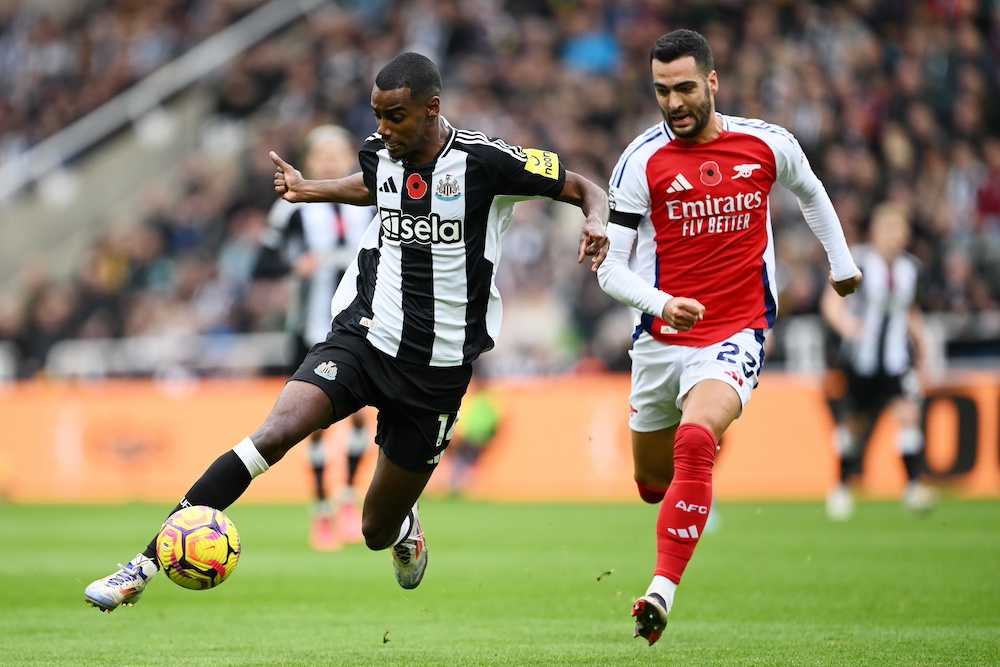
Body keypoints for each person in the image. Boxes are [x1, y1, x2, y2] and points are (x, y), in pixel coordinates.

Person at [84, 51, 609, 612]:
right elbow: (370, 185)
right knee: (274, 434)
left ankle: (403, 529)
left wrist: (597, 222)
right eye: (377, 114)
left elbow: (581, 186)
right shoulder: (382, 154)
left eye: (396, 116)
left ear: (432, 109)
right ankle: (141, 566)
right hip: (364, 336)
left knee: (374, 528)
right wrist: (309, 189)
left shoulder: (488, 161)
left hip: (438, 370)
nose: (383, 128)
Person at [595, 29, 862, 646]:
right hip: (660, 339)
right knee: (652, 485)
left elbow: (813, 192)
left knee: (697, 436)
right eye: (662, 91)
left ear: (712, 82)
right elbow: (609, 267)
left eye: (686, 87)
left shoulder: (767, 143)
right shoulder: (640, 162)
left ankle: (660, 590)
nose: (675, 103)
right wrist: (662, 302)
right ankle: (685, 503)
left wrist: (841, 265)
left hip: (736, 328)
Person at [251, 124, 374, 550]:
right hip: (310, 328)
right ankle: (321, 506)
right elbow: (260, 265)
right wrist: (292, 268)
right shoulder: (292, 208)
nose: (329, 159)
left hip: (364, 324)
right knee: (316, 422)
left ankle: (347, 497)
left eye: (337, 152)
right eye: (321, 153)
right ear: (309, 158)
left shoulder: (372, 201)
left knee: (361, 415)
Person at [821, 202, 936, 520]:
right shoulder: (858, 261)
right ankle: (842, 485)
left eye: (900, 231)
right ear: (876, 232)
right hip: (861, 360)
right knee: (854, 427)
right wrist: (848, 327)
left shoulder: (911, 269)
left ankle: (914, 487)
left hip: (897, 360)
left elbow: (910, 312)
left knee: (908, 414)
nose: (894, 237)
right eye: (888, 230)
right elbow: (830, 303)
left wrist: (923, 348)